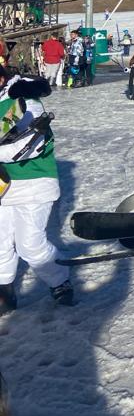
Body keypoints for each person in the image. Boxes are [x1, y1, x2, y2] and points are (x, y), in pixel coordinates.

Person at [0, 67, 73, 315]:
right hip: (3, 185)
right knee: (0, 241)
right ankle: (4, 292)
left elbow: (28, 146)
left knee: (29, 244)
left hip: (34, 181)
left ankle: (59, 280)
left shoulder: (25, 99)